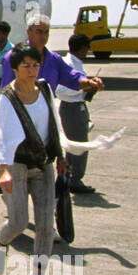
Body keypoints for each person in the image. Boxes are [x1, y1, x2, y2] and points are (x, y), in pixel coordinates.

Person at [0, 45, 66, 275]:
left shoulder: (45, 89)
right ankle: (1, 244)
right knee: (19, 222)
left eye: (35, 65)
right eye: (26, 66)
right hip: (17, 164)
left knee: (45, 224)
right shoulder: (6, 98)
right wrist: (3, 171)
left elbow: (55, 124)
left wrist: (62, 156)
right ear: (15, 69)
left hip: (44, 163)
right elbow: (0, 137)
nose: (32, 70)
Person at [1, 13, 105, 98]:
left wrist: (89, 82)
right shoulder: (12, 57)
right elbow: (6, 93)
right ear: (29, 32)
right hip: (20, 115)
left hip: (46, 113)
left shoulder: (54, 59)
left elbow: (72, 77)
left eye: (46, 32)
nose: (43, 36)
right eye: (39, 32)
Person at [56, 33, 97, 194]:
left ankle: (69, 177)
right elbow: (60, 90)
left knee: (74, 146)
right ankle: (75, 179)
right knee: (79, 146)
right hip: (71, 108)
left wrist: (88, 90)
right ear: (81, 48)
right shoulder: (68, 64)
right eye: (86, 48)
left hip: (78, 107)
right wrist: (83, 87)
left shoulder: (77, 63)